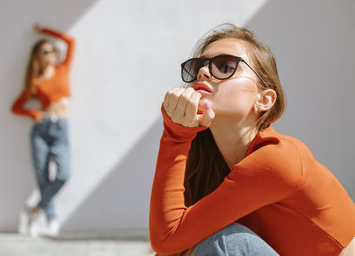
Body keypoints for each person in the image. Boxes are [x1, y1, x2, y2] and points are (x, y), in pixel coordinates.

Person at [149, 23, 355, 255]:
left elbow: (166, 238)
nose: (202, 73)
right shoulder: (212, 168)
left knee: (224, 241)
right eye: (198, 66)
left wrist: (175, 135)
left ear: (264, 99)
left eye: (225, 66)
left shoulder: (278, 159)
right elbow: (167, 245)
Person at [11, 24, 75, 237]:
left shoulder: (63, 68)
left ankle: (36, 209)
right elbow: (16, 107)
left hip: (61, 127)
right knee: (42, 177)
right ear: (37, 57)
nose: (52, 54)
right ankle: (50, 217)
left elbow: (70, 41)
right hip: (41, 128)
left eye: (52, 51)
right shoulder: (35, 81)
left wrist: (45, 31)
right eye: (46, 52)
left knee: (63, 174)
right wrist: (33, 114)